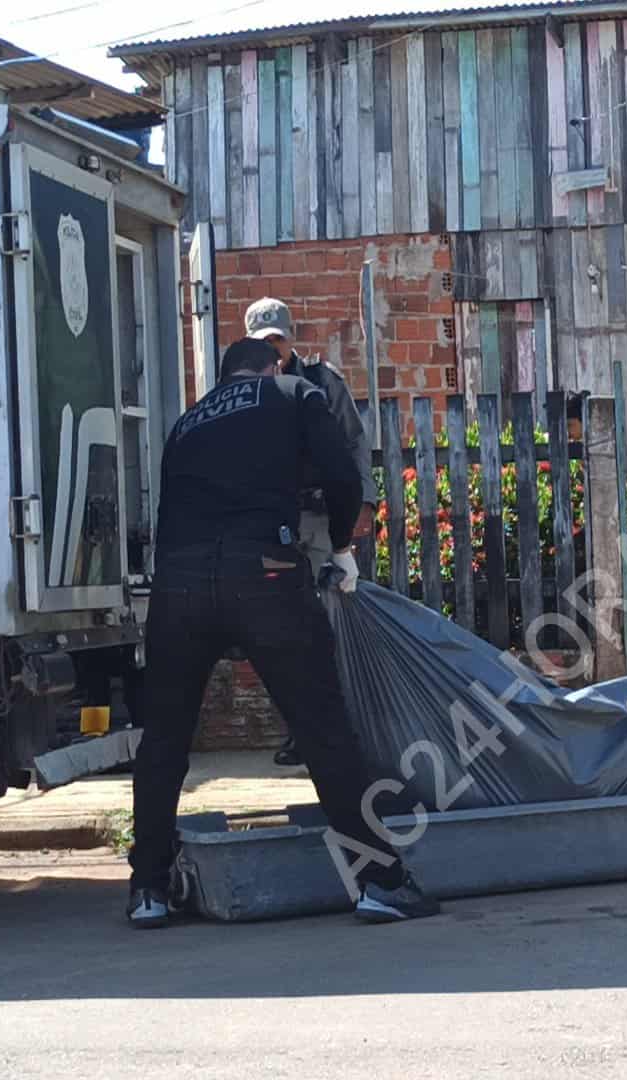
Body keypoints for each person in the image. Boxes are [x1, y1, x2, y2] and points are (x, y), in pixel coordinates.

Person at [126, 336, 438, 927]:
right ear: (271, 365)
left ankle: (149, 891)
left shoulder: (186, 423)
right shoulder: (295, 391)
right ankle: (379, 883)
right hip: (264, 574)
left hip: (179, 586)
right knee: (323, 730)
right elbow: (344, 476)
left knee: (164, 741)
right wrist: (342, 545)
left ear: (223, 380)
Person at [243, 297, 376, 770]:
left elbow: (355, 442)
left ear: (291, 339)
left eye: (277, 341)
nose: (272, 352)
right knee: (280, 630)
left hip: (320, 522)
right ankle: (297, 731)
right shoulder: (245, 390)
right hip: (271, 526)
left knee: (327, 624)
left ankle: (339, 729)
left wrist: (363, 505)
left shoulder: (322, 381)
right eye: (263, 344)